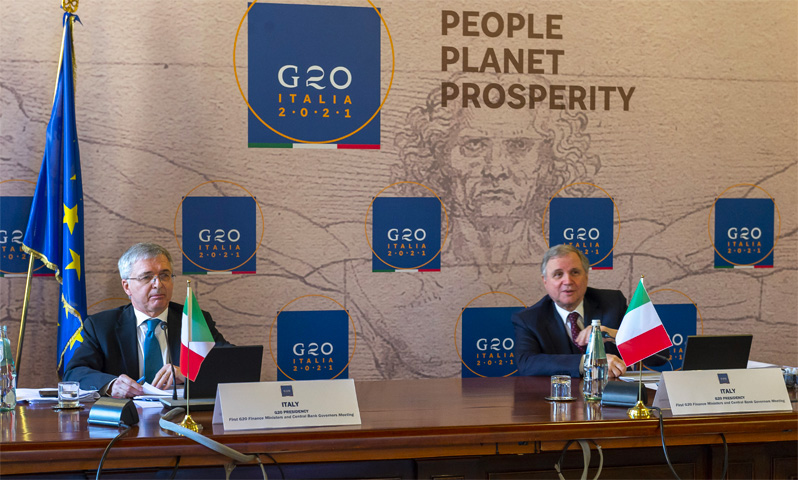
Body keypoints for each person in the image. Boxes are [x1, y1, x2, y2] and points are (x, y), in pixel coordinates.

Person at [64, 243, 229, 398]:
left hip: (181, 412)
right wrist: (112, 384)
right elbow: (75, 372)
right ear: (127, 286)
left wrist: (188, 373)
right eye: (146, 277)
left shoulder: (193, 321)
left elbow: (233, 364)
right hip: (127, 413)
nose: (158, 284)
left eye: (164, 275)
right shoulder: (101, 326)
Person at [513, 244, 629, 378]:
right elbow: (527, 363)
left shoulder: (613, 303)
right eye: (558, 274)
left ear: (586, 276)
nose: (568, 281)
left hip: (611, 390)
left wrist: (614, 335)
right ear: (545, 281)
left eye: (575, 272)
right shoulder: (529, 319)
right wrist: (588, 362)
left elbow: (650, 353)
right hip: (557, 391)